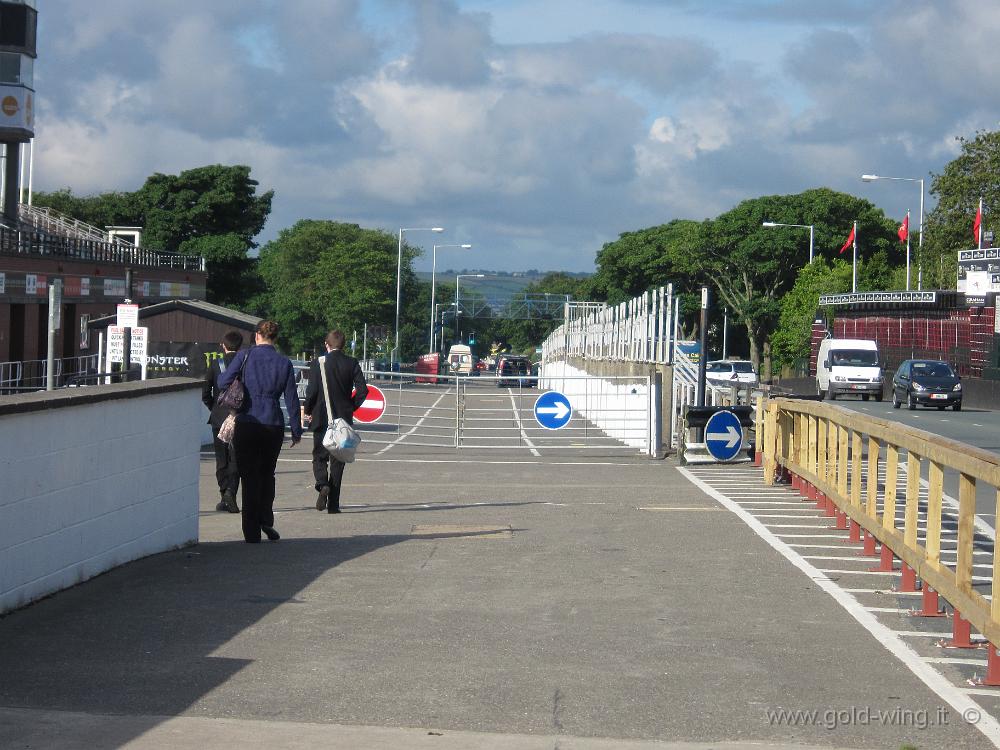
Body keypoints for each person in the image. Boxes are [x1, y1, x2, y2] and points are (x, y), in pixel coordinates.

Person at [217, 320, 302, 543]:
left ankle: (251, 531)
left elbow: (223, 381)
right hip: (273, 423)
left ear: (256, 335)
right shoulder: (284, 362)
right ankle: (266, 517)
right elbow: (292, 399)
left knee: (248, 477)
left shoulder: (245, 356)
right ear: (275, 338)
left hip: (247, 421)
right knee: (267, 474)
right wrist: (296, 429)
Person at [303, 330, 369, 513]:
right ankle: (334, 504)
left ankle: (322, 483)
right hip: (343, 420)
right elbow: (363, 391)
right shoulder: (351, 363)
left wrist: (307, 410)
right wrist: (350, 407)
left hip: (320, 418)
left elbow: (312, 391)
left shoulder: (318, 363)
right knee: (338, 461)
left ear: (327, 344)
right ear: (343, 345)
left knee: (319, 456)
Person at [201, 330, 244, 513]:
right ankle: (231, 492)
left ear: (223, 346)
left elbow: (205, 393)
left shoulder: (215, 364)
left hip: (219, 418)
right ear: (240, 346)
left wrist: (215, 408)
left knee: (221, 459)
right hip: (239, 417)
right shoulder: (244, 363)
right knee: (236, 458)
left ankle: (223, 495)